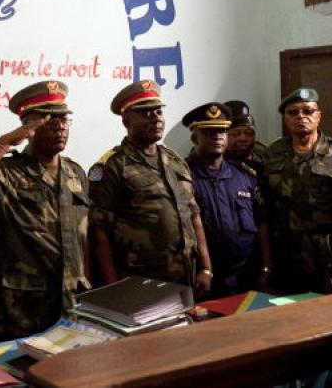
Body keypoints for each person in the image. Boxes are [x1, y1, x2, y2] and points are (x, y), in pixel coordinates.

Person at [0, 81, 90, 339]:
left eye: (64, 119)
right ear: (28, 127)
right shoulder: (7, 172)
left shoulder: (76, 173)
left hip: (73, 300)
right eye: (50, 119)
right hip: (24, 305)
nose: (60, 126)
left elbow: (85, 237)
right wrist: (3, 143)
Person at [87, 80, 213, 296]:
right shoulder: (111, 166)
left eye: (158, 111)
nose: (155, 117)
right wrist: (112, 288)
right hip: (140, 281)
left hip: (185, 275)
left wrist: (206, 268)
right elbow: (99, 233)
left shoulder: (175, 160)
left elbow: (194, 216)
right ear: (127, 120)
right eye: (146, 112)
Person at [262, 87, 332, 293]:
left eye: (307, 111)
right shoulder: (271, 154)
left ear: (319, 116)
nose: (300, 117)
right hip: (286, 255)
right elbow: (264, 212)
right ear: (285, 118)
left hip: (329, 252)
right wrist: (267, 262)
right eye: (293, 112)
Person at [183, 102, 270, 297]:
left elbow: (262, 222)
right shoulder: (183, 176)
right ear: (194, 138)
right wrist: (204, 270)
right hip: (208, 276)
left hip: (247, 272)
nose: (217, 137)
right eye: (209, 132)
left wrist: (266, 267)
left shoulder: (245, 175)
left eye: (222, 131)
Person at [223, 99, 267, 176]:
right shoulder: (216, 162)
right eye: (235, 134)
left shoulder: (266, 156)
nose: (243, 138)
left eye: (249, 133)